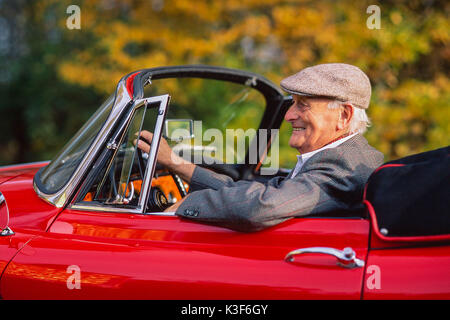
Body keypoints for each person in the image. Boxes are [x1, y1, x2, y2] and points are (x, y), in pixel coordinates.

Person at [137, 63, 384, 232]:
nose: (289, 115)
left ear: (343, 115)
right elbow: (249, 191)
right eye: (292, 104)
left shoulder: (341, 167)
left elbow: (262, 206)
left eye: (303, 105)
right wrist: (174, 162)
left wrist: (188, 204)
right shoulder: (346, 157)